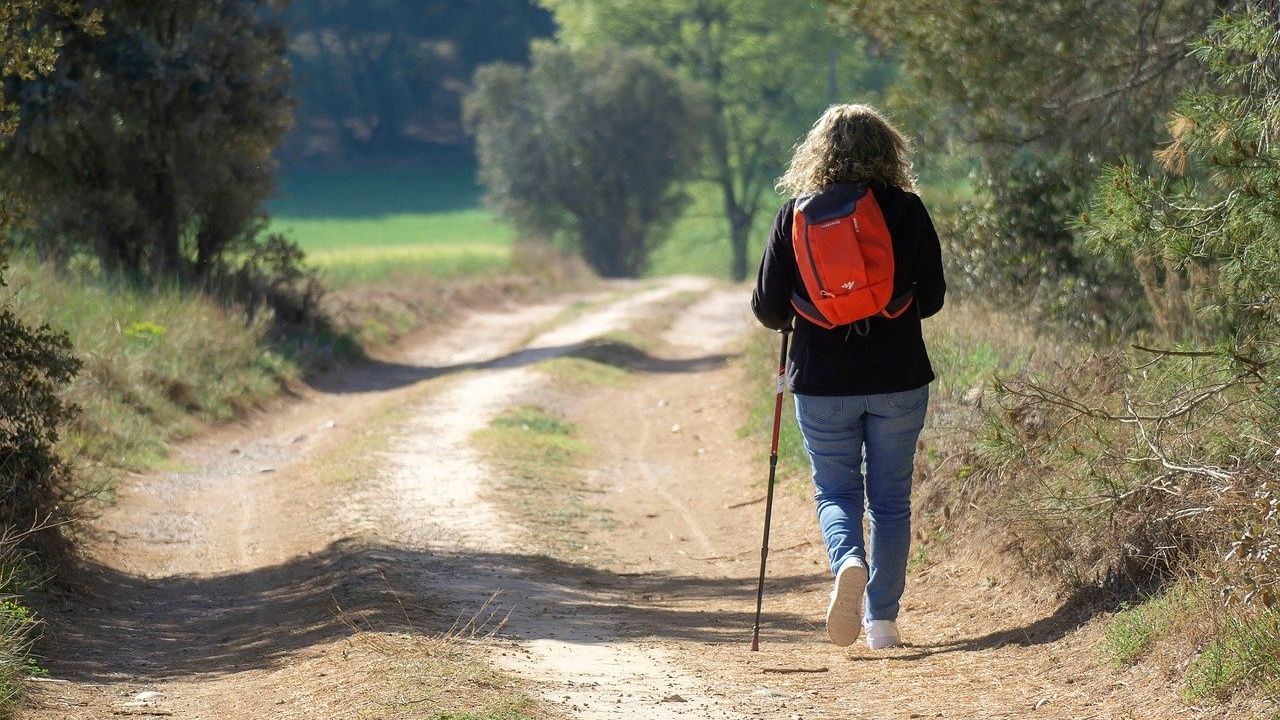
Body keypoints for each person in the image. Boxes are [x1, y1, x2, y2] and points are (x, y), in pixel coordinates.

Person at [751, 103, 945, 650]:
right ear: (889, 150)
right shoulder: (907, 209)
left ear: (817, 152)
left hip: (821, 379)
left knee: (836, 489)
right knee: (890, 500)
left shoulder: (795, 213)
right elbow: (933, 297)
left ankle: (848, 562)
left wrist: (809, 309)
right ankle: (882, 622)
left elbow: (767, 308)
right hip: (899, 378)